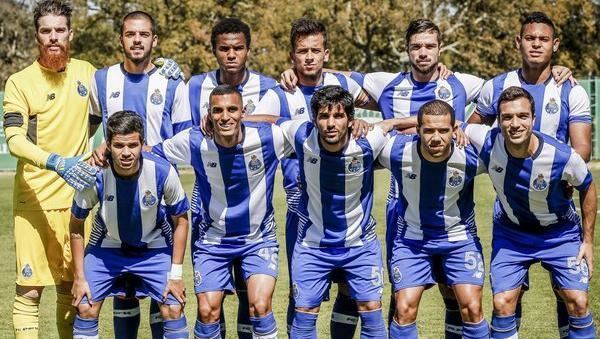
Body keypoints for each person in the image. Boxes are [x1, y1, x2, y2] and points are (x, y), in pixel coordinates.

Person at [467, 12, 591, 337]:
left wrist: (552, 171)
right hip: (512, 211)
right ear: (518, 42)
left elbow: (582, 153)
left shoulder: (571, 90)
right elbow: (470, 132)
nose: (536, 44)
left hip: (557, 206)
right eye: (530, 38)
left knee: (569, 296)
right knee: (507, 297)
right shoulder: (496, 87)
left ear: (555, 45)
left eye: (544, 39)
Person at [249, 18, 374, 336]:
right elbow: (251, 123)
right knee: (302, 293)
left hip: (350, 205)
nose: (308, 57)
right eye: (301, 51)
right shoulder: (280, 93)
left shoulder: (344, 86)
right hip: (302, 209)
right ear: (292, 56)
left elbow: (381, 100)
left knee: (349, 288)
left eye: (315, 50)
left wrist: (362, 120)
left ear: (326, 53)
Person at [87, 11, 191, 338]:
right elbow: (87, 128)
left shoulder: (173, 82)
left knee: (164, 294)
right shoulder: (101, 80)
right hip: (115, 195)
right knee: (123, 288)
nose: (137, 40)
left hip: (158, 198)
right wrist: (93, 152)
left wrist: (154, 154)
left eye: (144, 35)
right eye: (130, 34)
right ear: (121, 39)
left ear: (154, 40)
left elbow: (185, 139)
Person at [152, 85, 286, 339]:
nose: (225, 117)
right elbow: (152, 153)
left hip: (257, 238)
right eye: (218, 111)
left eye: (232, 110)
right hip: (213, 241)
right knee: (207, 311)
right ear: (209, 115)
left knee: (259, 305)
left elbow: (306, 129)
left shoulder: (268, 137)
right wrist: (106, 151)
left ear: (243, 112)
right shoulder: (193, 140)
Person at [2, 1, 97, 337]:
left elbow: (119, 95)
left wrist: (157, 72)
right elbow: (14, 140)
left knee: (74, 289)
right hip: (35, 202)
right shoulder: (19, 82)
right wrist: (57, 162)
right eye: (46, 31)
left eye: (60, 30)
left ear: (70, 33)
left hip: (78, 202)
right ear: (37, 35)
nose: (54, 37)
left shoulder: (88, 73)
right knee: (30, 291)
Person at [187, 18, 277, 337]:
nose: (231, 55)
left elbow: (278, 122)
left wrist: (230, 117)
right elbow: (184, 137)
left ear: (248, 50)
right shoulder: (195, 86)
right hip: (209, 209)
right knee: (210, 306)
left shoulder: (268, 86)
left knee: (253, 299)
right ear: (214, 50)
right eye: (224, 48)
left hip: (254, 209)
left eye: (238, 48)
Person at [70, 111, 190, 339]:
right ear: (108, 145)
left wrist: (176, 274)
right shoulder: (95, 175)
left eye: (133, 145)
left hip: (154, 247)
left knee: (173, 307)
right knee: (85, 305)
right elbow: (76, 225)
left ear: (142, 144)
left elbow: (181, 221)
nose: (126, 153)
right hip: (107, 248)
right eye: (118, 146)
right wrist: (79, 277)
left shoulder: (163, 171)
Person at [379, 100, 488, 338]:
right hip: (412, 241)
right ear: (417, 131)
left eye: (443, 130)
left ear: (454, 130)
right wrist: (389, 123)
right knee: (404, 308)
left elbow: (512, 155)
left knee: (472, 307)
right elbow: (358, 142)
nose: (435, 137)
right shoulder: (397, 151)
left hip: (459, 240)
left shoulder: (470, 157)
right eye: (428, 130)